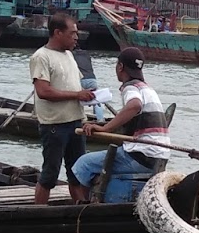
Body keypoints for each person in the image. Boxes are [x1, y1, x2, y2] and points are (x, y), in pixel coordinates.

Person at [71, 46, 171, 203]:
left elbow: (134, 105)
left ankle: (83, 207)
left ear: (120, 67)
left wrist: (105, 128)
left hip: (140, 157)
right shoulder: (147, 88)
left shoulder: (130, 87)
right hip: (158, 158)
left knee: (83, 164)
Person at [30, 13, 95, 204]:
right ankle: (38, 213)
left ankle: (79, 212)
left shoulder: (69, 55)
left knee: (77, 173)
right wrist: (77, 95)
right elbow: (43, 91)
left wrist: (87, 95)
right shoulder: (41, 57)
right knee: (50, 174)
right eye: (72, 33)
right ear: (57, 32)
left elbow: (73, 87)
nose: (76, 37)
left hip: (75, 121)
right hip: (55, 124)